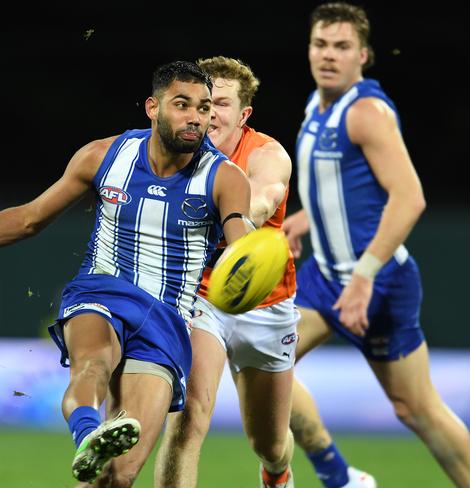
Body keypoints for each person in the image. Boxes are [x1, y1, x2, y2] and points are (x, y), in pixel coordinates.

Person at [0, 60, 253, 487]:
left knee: (120, 475)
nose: (196, 117)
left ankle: (97, 454)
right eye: (182, 104)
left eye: (204, 108)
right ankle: (86, 433)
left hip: (166, 319)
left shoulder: (225, 177)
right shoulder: (104, 156)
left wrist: (249, 261)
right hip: (102, 292)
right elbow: (30, 218)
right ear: (153, 107)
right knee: (93, 362)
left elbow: (240, 242)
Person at [282, 3, 470, 487]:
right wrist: (305, 219)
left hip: (378, 282)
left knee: (415, 409)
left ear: (364, 55)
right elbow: (351, 191)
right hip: (325, 276)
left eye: (341, 47)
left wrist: (363, 277)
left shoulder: (366, 113)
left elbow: (409, 198)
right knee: (260, 359)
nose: (328, 56)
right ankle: (338, 476)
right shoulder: (317, 106)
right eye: (320, 44)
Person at [154, 56, 374, 488]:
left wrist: (234, 215)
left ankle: (278, 474)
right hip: (202, 297)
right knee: (187, 418)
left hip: (266, 305)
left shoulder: (267, 153)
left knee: (270, 444)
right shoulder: (175, 151)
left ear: (243, 114)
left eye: (220, 103)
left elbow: (263, 197)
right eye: (202, 102)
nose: (209, 113)